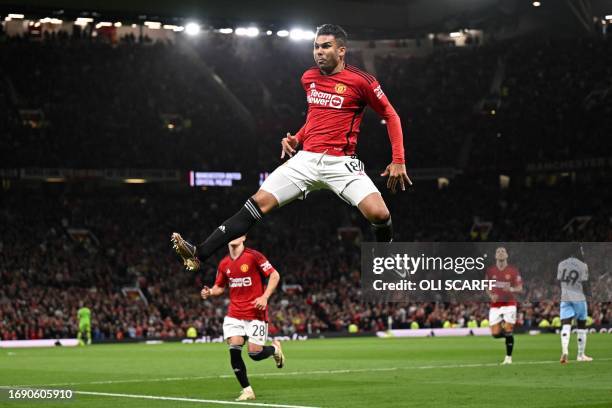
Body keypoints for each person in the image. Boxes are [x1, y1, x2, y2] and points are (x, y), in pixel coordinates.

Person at [171, 23, 411, 271]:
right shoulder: (309, 78)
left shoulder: (361, 81)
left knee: (380, 214)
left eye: (326, 46)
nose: (319, 51)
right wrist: (297, 138)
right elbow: (316, 118)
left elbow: (391, 115)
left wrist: (399, 159)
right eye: (316, 46)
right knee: (256, 203)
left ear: (341, 51)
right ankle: (199, 253)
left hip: (341, 162)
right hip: (304, 161)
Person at [200, 235, 285, 401]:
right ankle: (247, 390)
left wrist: (265, 297)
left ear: (244, 237)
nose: (233, 236)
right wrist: (210, 291)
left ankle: (275, 349)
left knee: (255, 354)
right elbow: (219, 287)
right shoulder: (224, 263)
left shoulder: (253, 256)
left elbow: (275, 275)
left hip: (256, 313)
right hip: (234, 314)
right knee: (234, 350)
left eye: (237, 233)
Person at [485, 247, 523, 365]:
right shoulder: (490, 271)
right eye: (498, 251)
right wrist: (491, 295)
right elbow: (486, 286)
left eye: (503, 251)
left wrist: (511, 288)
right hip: (495, 305)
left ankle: (508, 357)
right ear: (495, 256)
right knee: (495, 334)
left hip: (509, 304)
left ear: (506, 255)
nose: (500, 253)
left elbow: (520, 288)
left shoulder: (513, 270)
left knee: (508, 329)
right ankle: (508, 333)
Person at [558, 244, 592, 364]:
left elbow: (559, 281)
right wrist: (589, 296)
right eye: (581, 250)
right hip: (578, 295)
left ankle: (565, 350)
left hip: (565, 295)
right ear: (577, 251)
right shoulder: (583, 265)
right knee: (581, 324)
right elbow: (585, 283)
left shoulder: (561, 264)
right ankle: (580, 355)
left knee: (566, 324)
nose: (582, 252)